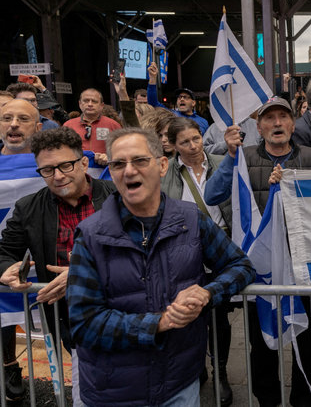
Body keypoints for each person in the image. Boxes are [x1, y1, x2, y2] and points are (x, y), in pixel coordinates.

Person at [66, 128, 255, 406]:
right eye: (118, 164)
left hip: (179, 386)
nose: (129, 171)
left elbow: (241, 266)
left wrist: (207, 294)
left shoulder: (191, 220)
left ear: (162, 165)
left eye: (140, 161)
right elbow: (84, 325)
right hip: (114, 392)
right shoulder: (91, 236)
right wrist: (160, 322)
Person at [204, 97, 311, 405]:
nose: (277, 123)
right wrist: (230, 156)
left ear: (293, 124)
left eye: (283, 117)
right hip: (261, 270)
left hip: (304, 268)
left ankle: (304, 398)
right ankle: (267, 398)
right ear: (259, 126)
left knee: (306, 341)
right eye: (270, 119)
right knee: (261, 344)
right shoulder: (243, 157)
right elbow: (212, 195)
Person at [0, 127, 116, 404]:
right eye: (48, 170)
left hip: (123, 306)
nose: (58, 176)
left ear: (84, 162)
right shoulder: (28, 207)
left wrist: (82, 274)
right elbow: (4, 251)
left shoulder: (117, 196)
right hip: (69, 318)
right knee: (90, 385)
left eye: (66, 165)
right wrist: (6, 268)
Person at [159, 117, 235, 405]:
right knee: (189, 312)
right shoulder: (166, 171)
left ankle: (222, 371)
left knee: (219, 315)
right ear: (174, 146)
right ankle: (197, 367)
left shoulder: (222, 160)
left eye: (196, 139)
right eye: (184, 142)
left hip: (220, 247)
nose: (192, 146)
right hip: (183, 249)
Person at [0, 98, 44, 400]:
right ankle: (8, 365)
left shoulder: (56, 163)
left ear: (38, 127)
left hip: (44, 260)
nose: (13, 124)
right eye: (6, 118)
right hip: (3, 262)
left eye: (22, 119)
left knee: (55, 316)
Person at [146, 62, 209, 134]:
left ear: (193, 103)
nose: (181, 99)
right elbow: (153, 103)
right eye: (179, 97)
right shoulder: (170, 115)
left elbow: (207, 143)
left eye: (185, 97)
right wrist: (152, 78)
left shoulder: (203, 122)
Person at [63, 88, 121, 166]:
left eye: (94, 101)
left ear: (101, 105)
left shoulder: (113, 125)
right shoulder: (68, 125)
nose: (90, 104)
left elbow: (123, 150)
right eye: (86, 101)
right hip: (76, 169)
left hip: (105, 170)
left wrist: (110, 157)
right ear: (80, 104)